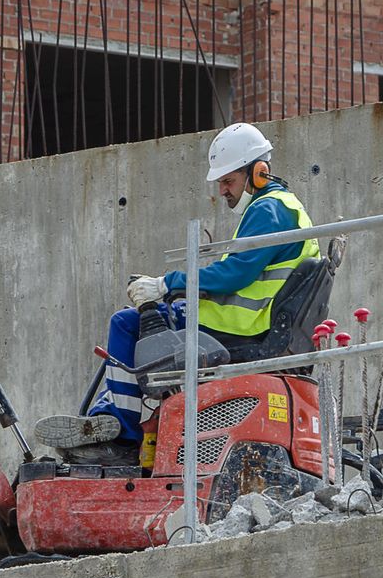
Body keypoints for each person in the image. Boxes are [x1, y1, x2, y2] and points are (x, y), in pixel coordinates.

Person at [34, 122, 318, 464]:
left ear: (258, 172)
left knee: (126, 323)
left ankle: (120, 437)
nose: (223, 191)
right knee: (144, 319)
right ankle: (106, 417)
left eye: (228, 181)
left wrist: (165, 284)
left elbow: (234, 274)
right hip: (251, 324)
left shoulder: (267, 209)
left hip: (238, 328)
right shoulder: (287, 207)